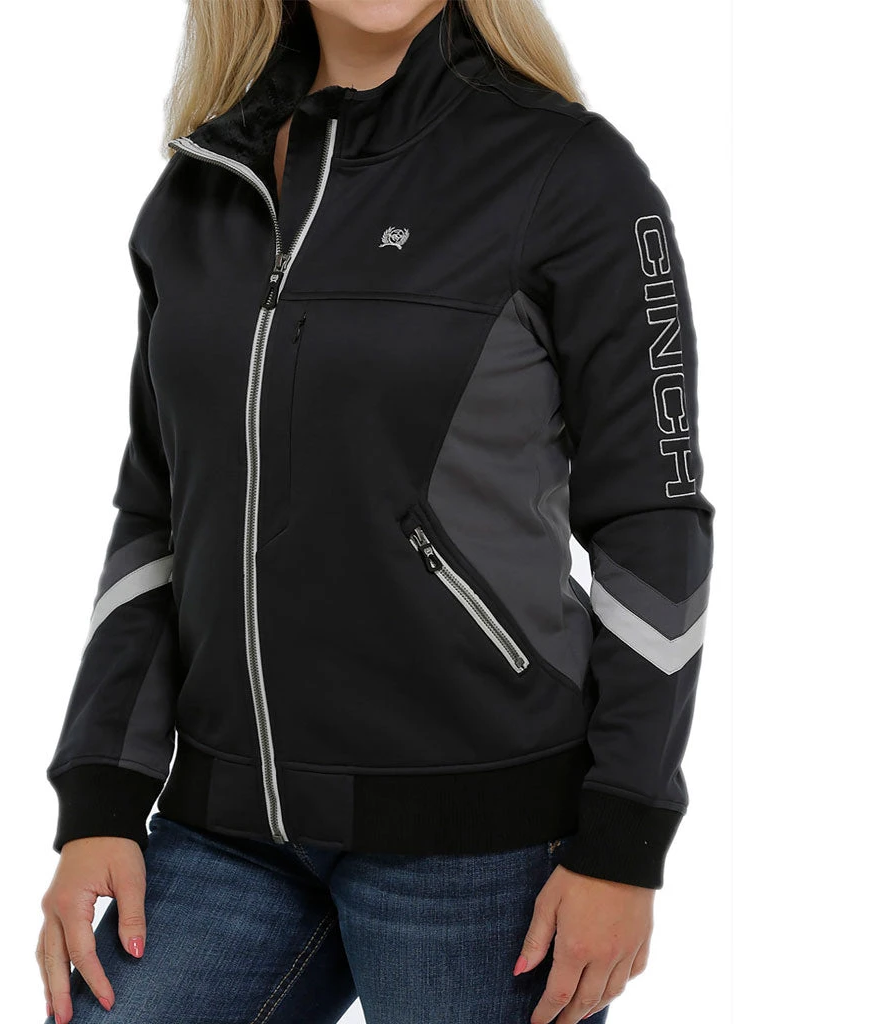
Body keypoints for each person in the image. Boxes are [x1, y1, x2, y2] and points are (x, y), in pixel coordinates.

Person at [36, 1, 714, 1021]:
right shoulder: (202, 186)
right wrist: (101, 792)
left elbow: (652, 520)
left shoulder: (567, 173)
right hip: (230, 826)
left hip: (480, 838)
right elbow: (157, 509)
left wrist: (624, 837)